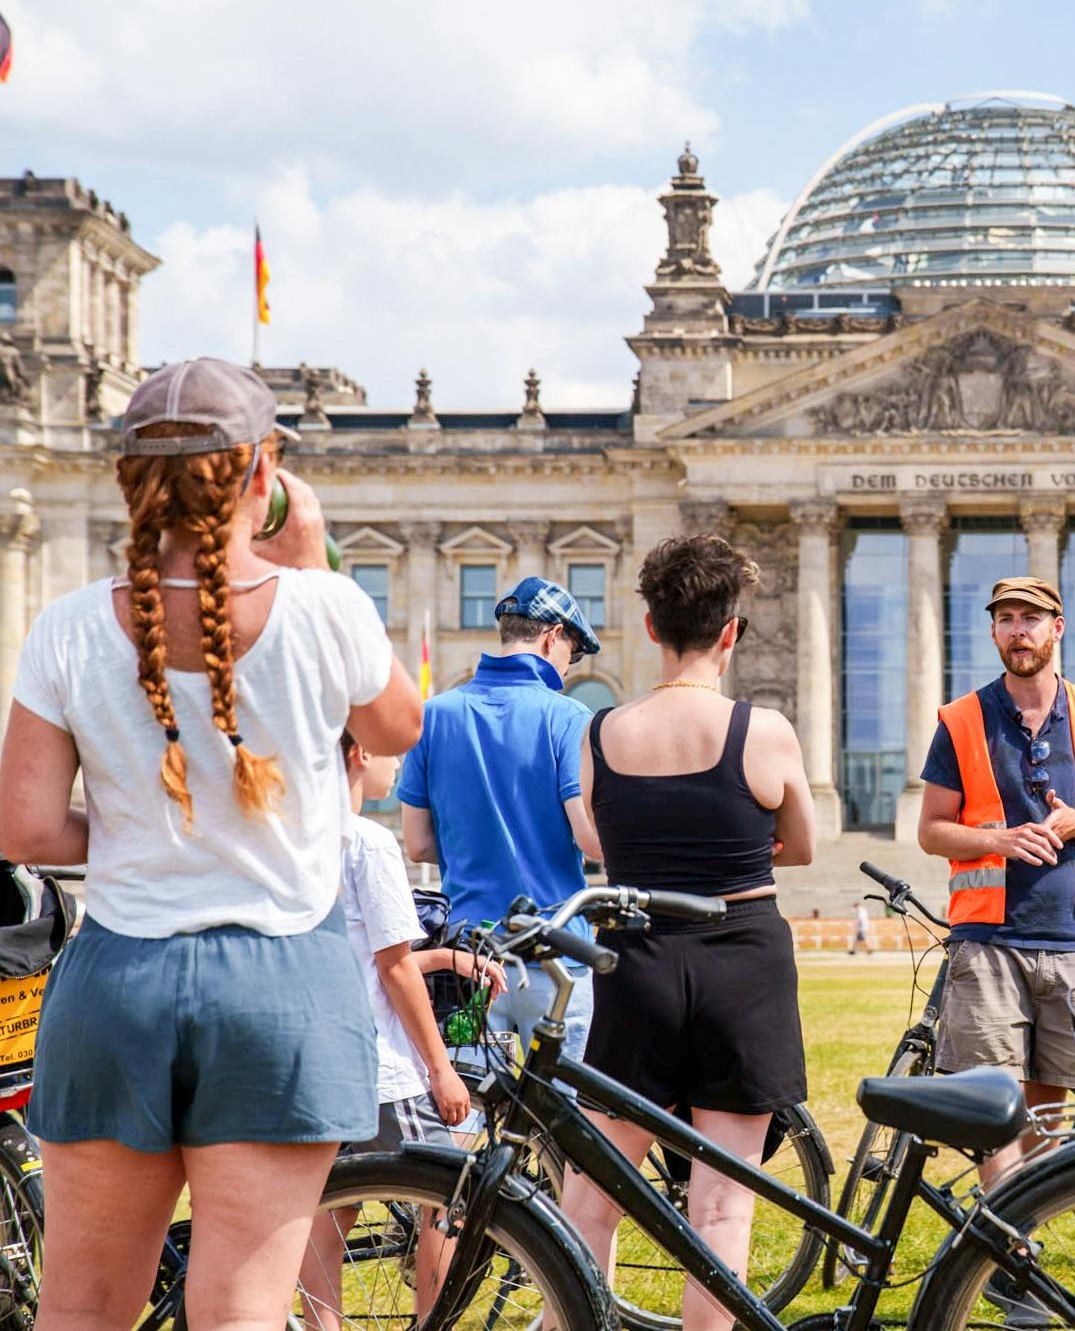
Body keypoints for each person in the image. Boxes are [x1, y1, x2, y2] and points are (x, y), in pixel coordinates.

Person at [0, 358, 422, 1329]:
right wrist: (309, 557)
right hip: (281, 989)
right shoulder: (321, 607)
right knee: (239, 1308)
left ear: (125, 481)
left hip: (115, 983)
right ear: (262, 475)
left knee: (83, 1308)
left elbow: (21, 827)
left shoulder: (65, 627)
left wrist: (140, 830)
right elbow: (397, 727)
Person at [562, 535, 815, 1331]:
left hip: (637, 958)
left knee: (589, 1202)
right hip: (743, 957)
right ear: (731, 631)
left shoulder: (602, 733)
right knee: (720, 1212)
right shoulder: (764, 730)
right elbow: (801, 846)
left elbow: (600, 841)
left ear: (648, 626)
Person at [917, 575, 1075, 1187]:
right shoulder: (962, 719)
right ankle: (1006, 1247)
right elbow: (932, 830)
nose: (1019, 630)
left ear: (1056, 629)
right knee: (993, 1107)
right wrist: (1000, 839)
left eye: (1031, 618)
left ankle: (1023, 1228)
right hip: (987, 939)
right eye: (1006, 618)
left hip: (1073, 937)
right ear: (992, 631)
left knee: (1048, 1110)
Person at [300, 731, 508, 1326]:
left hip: (317, 1059)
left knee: (329, 1206)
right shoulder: (367, 842)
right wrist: (441, 1069)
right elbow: (391, 969)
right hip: (383, 1066)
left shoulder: (292, 837)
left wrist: (442, 959)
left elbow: (357, 959)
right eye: (392, 751)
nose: (397, 764)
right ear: (360, 753)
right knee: (452, 1198)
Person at [397, 575, 604, 1066]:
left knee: (465, 1122)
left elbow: (418, 845)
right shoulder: (569, 716)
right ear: (553, 636)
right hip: (556, 953)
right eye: (571, 653)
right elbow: (589, 840)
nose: (568, 667)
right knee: (567, 1127)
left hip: (469, 955)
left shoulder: (433, 715)